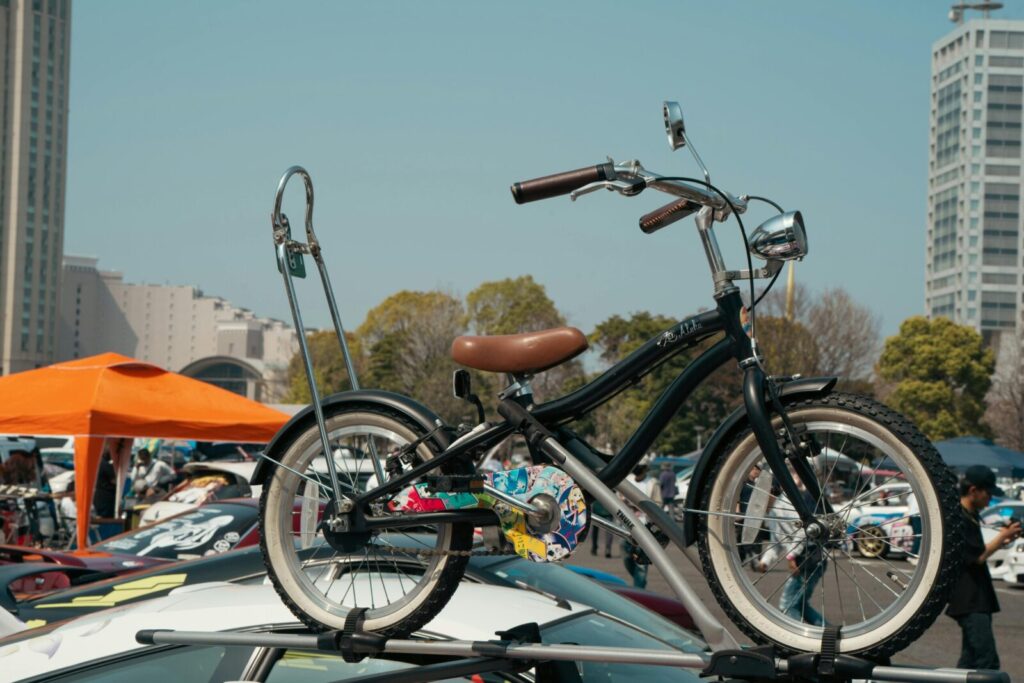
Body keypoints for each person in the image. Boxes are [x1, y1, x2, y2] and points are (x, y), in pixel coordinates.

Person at [947, 465, 1021, 671]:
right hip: (969, 599)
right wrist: (1002, 537)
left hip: (977, 598)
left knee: (969, 661)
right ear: (974, 491)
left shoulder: (970, 515)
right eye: (988, 493)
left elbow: (979, 552)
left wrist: (1004, 538)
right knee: (986, 661)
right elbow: (977, 556)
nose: (990, 499)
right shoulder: (958, 517)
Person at [622, 464, 654, 588]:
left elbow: (657, 503)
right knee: (626, 556)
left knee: (641, 563)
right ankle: (639, 580)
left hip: (645, 526)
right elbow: (619, 498)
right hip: (627, 525)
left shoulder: (651, 483)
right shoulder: (628, 480)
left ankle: (639, 588)